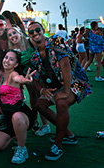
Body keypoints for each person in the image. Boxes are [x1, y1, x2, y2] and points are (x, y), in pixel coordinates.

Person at [28, 21, 92, 161]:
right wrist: (42, 90)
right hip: (56, 86)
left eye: (37, 29)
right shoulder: (35, 56)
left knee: (61, 102)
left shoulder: (56, 40)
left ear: (43, 29)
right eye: (31, 32)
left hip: (76, 82)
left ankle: (58, 144)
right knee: (40, 105)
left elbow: (65, 64)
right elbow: (34, 78)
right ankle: (68, 135)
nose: (34, 33)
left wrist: (67, 90)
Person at [0, 50, 36, 164]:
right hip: (7, 118)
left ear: (15, 64)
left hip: (21, 115)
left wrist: (25, 80)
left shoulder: (13, 74)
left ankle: (21, 148)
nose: (7, 61)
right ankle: (16, 135)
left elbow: (18, 78)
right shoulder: (0, 76)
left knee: (17, 117)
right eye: (6, 57)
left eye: (11, 59)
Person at [7, 26, 51, 137]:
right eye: (10, 35)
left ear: (19, 33)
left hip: (40, 73)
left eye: (14, 33)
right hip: (27, 76)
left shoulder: (30, 41)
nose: (13, 36)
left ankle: (46, 125)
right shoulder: (12, 50)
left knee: (40, 97)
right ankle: (34, 120)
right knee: (32, 97)